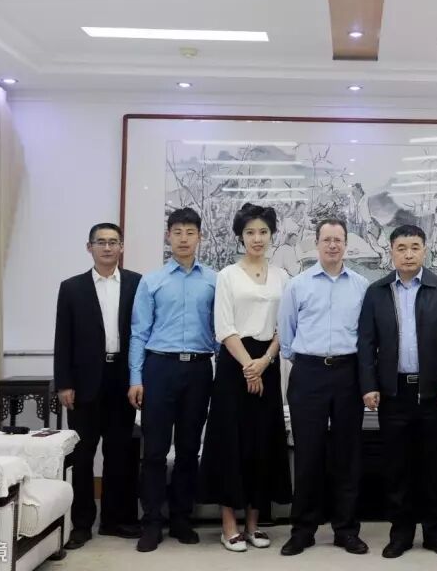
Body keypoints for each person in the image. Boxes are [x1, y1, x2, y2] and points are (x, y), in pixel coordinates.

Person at [358, 224, 437, 559]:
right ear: (391, 251)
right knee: (397, 468)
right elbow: (366, 344)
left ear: (424, 250)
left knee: (434, 467)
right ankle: (400, 534)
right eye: (401, 248)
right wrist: (369, 386)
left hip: (434, 394)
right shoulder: (377, 292)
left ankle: (436, 533)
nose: (408, 254)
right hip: (393, 394)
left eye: (414, 247)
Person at [199, 204, 292, 552]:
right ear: (240, 236)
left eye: (263, 232)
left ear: (271, 235)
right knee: (231, 442)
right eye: (250, 232)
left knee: (262, 442)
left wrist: (263, 362)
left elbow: (285, 326)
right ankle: (229, 525)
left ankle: (254, 523)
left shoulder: (282, 277)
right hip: (234, 364)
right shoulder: (227, 275)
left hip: (268, 361)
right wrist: (248, 366)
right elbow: (224, 327)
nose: (257, 238)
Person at [276, 218, 370, 557]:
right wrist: (306, 360)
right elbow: (286, 332)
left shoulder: (361, 286)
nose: (332, 245)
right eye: (326, 239)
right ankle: (303, 530)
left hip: (348, 373)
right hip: (309, 373)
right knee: (308, 454)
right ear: (316, 244)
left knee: (347, 455)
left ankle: (346, 530)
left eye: (338, 240)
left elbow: (367, 333)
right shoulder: (298, 285)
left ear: (346, 244)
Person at [128, 207, 218, 553]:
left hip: (198, 369)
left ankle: (182, 518)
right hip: (159, 368)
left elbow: (220, 331)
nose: (183, 238)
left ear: (199, 237)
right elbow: (139, 333)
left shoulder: (213, 280)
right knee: (154, 450)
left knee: (189, 449)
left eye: (190, 232)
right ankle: (152, 522)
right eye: (177, 232)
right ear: (168, 236)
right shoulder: (151, 281)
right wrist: (135, 378)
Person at [53, 223, 142, 549]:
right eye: (100, 242)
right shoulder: (71, 288)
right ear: (89, 247)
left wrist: (140, 378)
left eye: (113, 242)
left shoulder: (136, 283)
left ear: (121, 247)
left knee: (120, 453)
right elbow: (63, 338)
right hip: (84, 382)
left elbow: (143, 331)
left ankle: (114, 520)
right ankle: (81, 524)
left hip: (122, 378)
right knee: (83, 455)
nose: (107, 248)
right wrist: (64, 382)